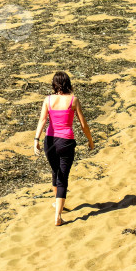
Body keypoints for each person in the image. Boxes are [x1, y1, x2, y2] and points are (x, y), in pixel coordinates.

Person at [34, 71, 94, 226]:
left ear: (55, 84)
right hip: (66, 142)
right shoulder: (73, 100)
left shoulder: (48, 100)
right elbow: (83, 124)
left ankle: (57, 203)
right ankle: (58, 216)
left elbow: (42, 120)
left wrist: (36, 140)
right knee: (63, 179)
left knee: (55, 172)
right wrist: (90, 140)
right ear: (68, 83)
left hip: (50, 142)